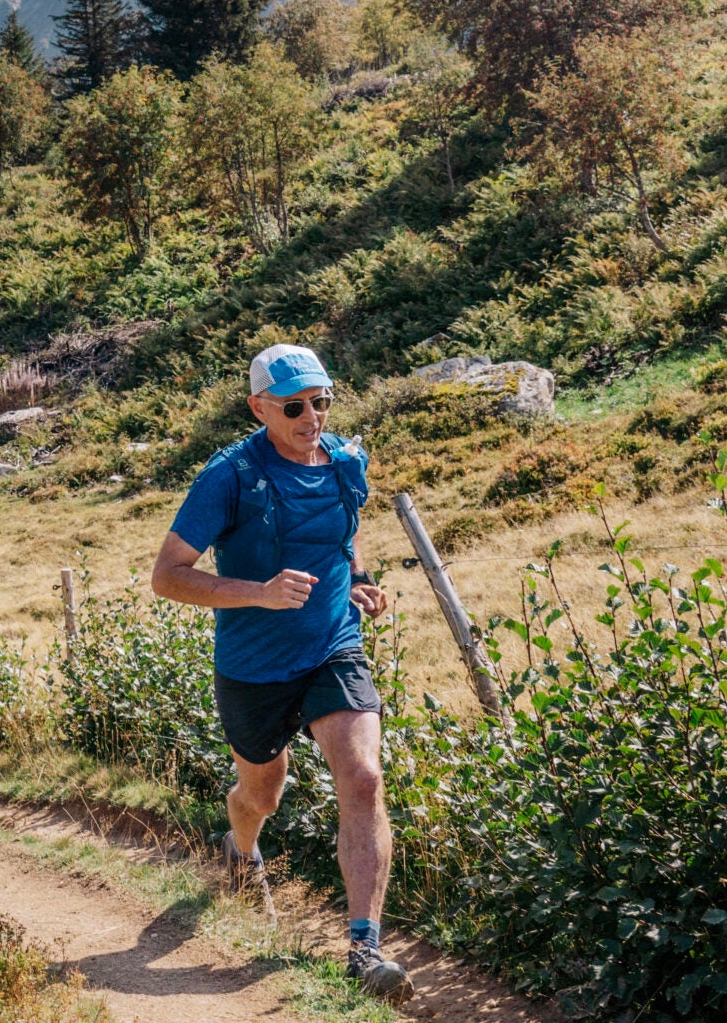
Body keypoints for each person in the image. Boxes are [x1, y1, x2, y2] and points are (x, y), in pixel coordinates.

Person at [148, 343, 413, 1003]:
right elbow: (167, 577)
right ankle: (241, 850)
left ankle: (364, 948)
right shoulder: (230, 475)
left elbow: (340, 538)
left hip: (332, 647)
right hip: (253, 667)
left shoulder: (347, 461)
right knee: (260, 796)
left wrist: (361, 581)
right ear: (258, 406)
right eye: (294, 405)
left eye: (321, 400)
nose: (311, 416)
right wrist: (258, 593)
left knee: (363, 776)